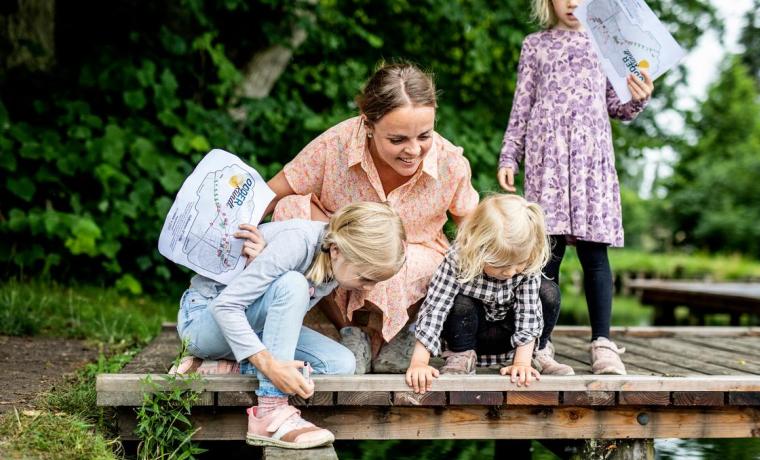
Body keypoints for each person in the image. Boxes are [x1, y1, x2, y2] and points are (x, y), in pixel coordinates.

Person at [263, 63, 479, 373]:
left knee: (419, 258)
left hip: (413, 264)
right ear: (368, 125)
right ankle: (349, 332)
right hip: (344, 259)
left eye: (424, 136)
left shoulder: (450, 163)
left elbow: (477, 234)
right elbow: (271, 195)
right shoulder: (334, 145)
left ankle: (409, 335)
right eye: (398, 140)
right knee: (290, 210)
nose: (414, 150)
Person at [497, 0, 655, 375]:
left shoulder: (609, 43)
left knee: (594, 255)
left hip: (589, 159)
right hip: (547, 157)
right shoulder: (535, 44)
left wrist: (640, 97)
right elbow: (522, 104)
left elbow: (619, 105)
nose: (571, 2)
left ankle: (602, 343)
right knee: (546, 255)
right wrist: (509, 156)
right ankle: (539, 344)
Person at [175, 202, 406, 448]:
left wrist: (272, 362)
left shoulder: (333, 257)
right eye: (366, 277)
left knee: (341, 363)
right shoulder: (297, 243)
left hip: (247, 330)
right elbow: (226, 307)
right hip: (203, 322)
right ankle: (270, 412)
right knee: (293, 284)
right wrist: (270, 367)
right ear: (337, 250)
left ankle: (217, 367)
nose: (368, 287)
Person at [405, 195, 575, 395]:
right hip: (471, 335)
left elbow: (529, 313)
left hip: (513, 340)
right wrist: (418, 363)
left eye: (518, 264)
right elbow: (435, 308)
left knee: (549, 292)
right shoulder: (457, 260)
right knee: (460, 302)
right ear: (478, 248)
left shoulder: (527, 264)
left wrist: (521, 363)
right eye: (501, 265)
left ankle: (537, 354)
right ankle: (461, 357)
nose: (510, 272)